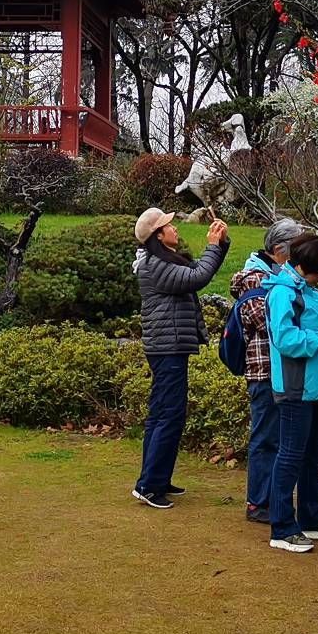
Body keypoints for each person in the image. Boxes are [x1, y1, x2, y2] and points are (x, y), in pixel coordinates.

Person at [131, 206, 230, 510]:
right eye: (168, 226)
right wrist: (213, 246)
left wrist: (220, 245)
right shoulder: (156, 265)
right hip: (167, 347)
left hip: (167, 346)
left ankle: (155, 479)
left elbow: (196, 271)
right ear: (157, 236)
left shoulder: (158, 261)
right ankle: (150, 485)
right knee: (169, 414)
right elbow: (198, 276)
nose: (175, 228)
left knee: (163, 413)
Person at [264, 234, 318, 553]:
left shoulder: (308, 291)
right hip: (295, 386)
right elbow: (285, 340)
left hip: (316, 386)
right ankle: (282, 526)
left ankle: (312, 518)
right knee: (289, 455)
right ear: (306, 267)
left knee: (311, 457)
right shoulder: (283, 293)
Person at [228, 218, 305, 524]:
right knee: (265, 437)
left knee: (278, 438)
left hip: (281, 372)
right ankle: (258, 501)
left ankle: (272, 498)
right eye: (296, 250)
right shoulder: (256, 279)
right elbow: (272, 326)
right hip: (263, 371)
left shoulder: (277, 276)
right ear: (278, 250)